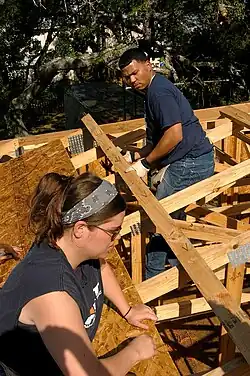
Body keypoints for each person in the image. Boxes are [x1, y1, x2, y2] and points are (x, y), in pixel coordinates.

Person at [0, 172, 157, 376]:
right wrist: (135, 352)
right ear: (80, 229)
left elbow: (101, 269)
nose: (117, 239)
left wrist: (127, 310)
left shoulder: (70, 246)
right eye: (113, 231)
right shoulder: (53, 293)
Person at [119, 48, 215, 279]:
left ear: (148, 65)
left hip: (192, 162)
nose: (132, 80)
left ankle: (152, 280)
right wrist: (139, 155)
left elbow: (174, 136)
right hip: (187, 159)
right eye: (127, 77)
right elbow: (159, 138)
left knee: (158, 220)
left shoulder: (159, 93)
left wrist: (146, 164)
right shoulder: (152, 91)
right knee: (172, 217)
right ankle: (178, 264)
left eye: (134, 73)